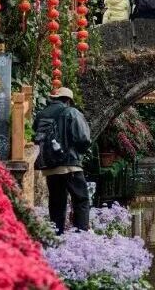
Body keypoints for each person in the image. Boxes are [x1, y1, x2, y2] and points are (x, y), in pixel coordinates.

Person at [33, 87, 92, 234]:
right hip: (69, 164)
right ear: (68, 100)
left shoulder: (41, 114)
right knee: (81, 199)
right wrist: (79, 153)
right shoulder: (71, 112)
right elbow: (83, 139)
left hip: (49, 167)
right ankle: (81, 235)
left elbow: (36, 135)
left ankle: (56, 235)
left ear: (54, 99)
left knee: (56, 202)